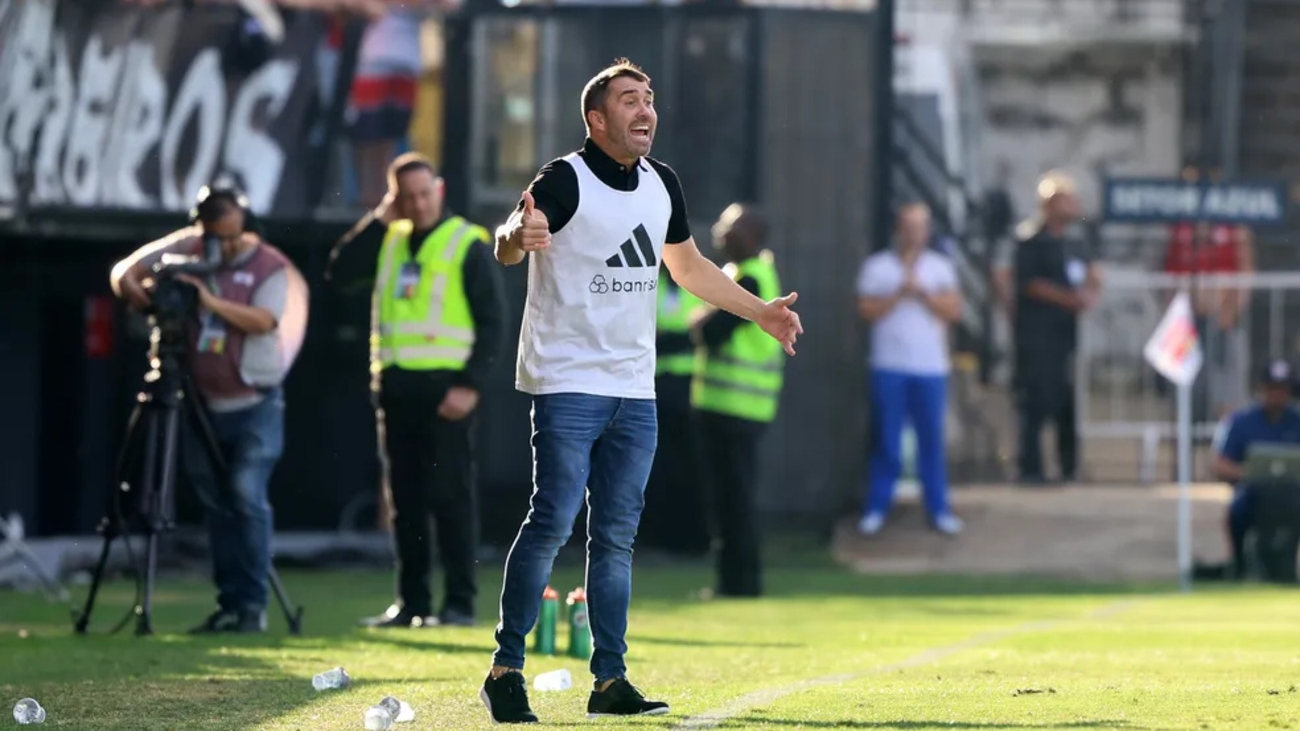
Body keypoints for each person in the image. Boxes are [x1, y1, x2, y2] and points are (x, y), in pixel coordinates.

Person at [481, 58, 802, 724]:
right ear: (596, 119)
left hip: (635, 388)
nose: (645, 109)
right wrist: (518, 236)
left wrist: (761, 311)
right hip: (568, 380)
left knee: (617, 536)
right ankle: (506, 670)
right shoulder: (563, 178)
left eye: (649, 98)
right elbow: (511, 241)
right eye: (629, 99)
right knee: (552, 520)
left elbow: (690, 269)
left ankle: (610, 680)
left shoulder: (663, 184)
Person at [108, 178, 309, 633]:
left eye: (234, 234)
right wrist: (138, 291)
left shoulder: (271, 266)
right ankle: (230, 604)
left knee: (245, 494)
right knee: (216, 502)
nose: (225, 244)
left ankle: (252, 608)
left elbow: (264, 321)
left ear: (249, 225)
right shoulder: (190, 247)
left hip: (254, 401)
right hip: (199, 398)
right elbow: (124, 272)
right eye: (216, 235)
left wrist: (207, 300)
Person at [326, 152, 507, 629]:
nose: (418, 204)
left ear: (440, 190)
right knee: (405, 503)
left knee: (451, 498)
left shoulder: (466, 243)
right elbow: (340, 273)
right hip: (397, 388)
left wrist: (469, 385)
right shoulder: (391, 239)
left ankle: (460, 603)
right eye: (407, 197)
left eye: (425, 194)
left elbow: (494, 324)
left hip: (447, 390)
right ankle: (413, 603)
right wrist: (379, 218)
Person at [691, 203, 786, 596]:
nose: (720, 232)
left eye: (730, 227)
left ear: (752, 237)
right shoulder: (740, 276)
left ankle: (740, 582)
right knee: (731, 498)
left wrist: (701, 319)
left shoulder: (750, 280)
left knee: (734, 499)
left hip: (736, 408)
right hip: (731, 408)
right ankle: (735, 580)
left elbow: (710, 332)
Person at [855, 203, 964, 536]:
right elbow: (866, 310)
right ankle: (877, 507)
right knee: (888, 440)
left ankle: (938, 509)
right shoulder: (877, 267)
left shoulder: (940, 268)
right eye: (908, 226)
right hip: (889, 365)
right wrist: (899, 293)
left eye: (920, 226)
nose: (914, 233)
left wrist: (923, 294)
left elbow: (954, 310)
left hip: (930, 367)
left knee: (931, 440)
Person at [1012, 171, 1100, 485]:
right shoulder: (1030, 239)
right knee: (1035, 400)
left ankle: (1068, 466)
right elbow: (1031, 285)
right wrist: (1068, 299)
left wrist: (1089, 291)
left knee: (1067, 401)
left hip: (1066, 336)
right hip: (1037, 337)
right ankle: (1031, 467)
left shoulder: (1075, 242)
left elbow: (1090, 274)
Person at [1202, 360, 1300, 579]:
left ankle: (1286, 568)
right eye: (1272, 389)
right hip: (1253, 491)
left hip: (1291, 493)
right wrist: (1246, 472)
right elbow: (1219, 463)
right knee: (1238, 508)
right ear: (1262, 389)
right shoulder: (1241, 421)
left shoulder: (1297, 421)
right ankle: (1238, 565)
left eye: (1282, 389)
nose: (1277, 395)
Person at [639, 267, 710, 556]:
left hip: (690, 387)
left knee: (690, 465)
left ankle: (693, 539)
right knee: (658, 464)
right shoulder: (650, 286)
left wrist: (670, 338)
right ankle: (659, 536)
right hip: (656, 385)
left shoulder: (699, 284)